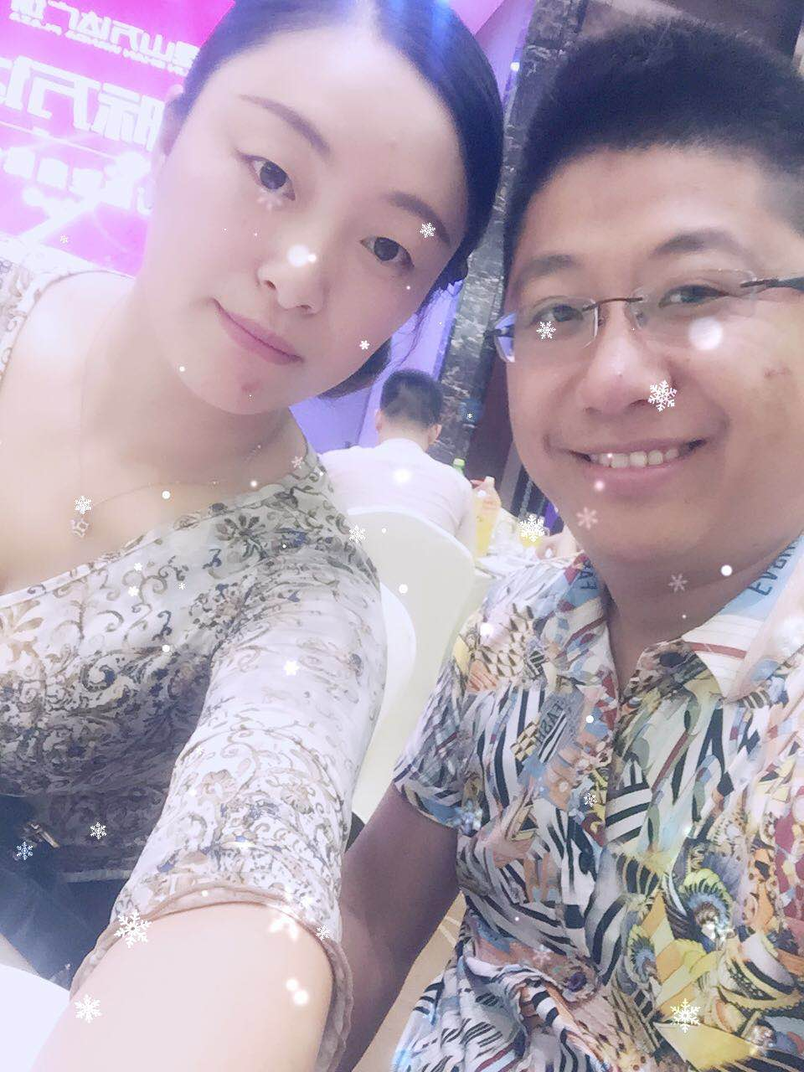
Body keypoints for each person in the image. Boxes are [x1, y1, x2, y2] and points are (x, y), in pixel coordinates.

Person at [0, 1, 504, 1069]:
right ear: (171, 133)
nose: (299, 273)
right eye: (273, 172)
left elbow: (259, 854)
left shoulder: (308, 595)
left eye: (387, 246)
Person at [338, 16, 804, 1072]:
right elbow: (369, 917)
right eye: (556, 312)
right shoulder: (520, 617)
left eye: (693, 293)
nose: (612, 376)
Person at [322, 369, 476, 551]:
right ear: (435, 433)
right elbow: (465, 559)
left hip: (339, 567)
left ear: (378, 419)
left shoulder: (331, 464)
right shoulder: (459, 487)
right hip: (421, 570)